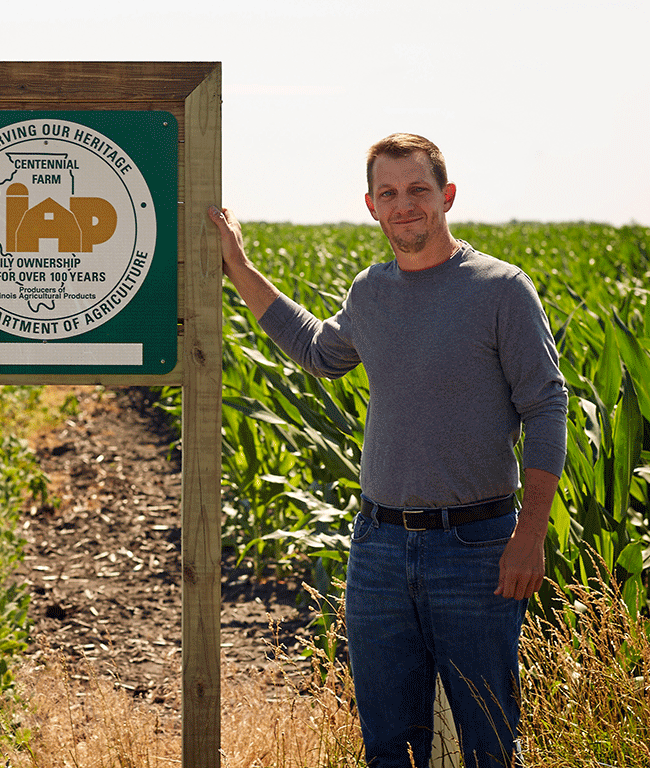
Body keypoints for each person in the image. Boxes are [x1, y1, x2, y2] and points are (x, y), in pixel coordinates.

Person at [209, 133, 567, 767]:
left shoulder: (501, 290)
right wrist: (237, 266)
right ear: (371, 205)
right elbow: (321, 352)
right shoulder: (371, 291)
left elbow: (546, 407)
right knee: (389, 747)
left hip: (478, 549)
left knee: (489, 742)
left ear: (446, 196)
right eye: (389, 193)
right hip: (378, 550)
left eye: (417, 190)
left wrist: (530, 534)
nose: (404, 205)